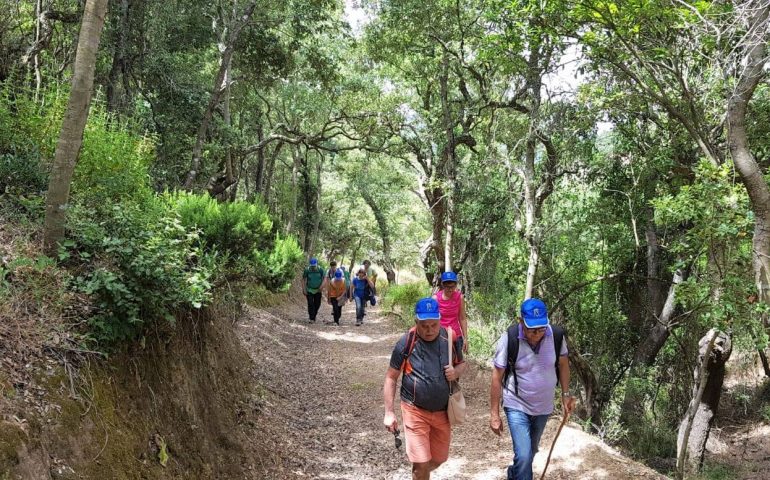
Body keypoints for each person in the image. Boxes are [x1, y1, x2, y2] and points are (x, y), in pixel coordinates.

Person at [489, 298, 576, 480]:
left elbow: (563, 364)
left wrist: (566, 395)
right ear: (521, 322)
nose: (537, 334)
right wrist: (494, 414)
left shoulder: (556, 336)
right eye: (532, 329)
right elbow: (497, 376)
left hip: (543, 408)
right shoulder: (510, 338)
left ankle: (514, 474)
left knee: (531, 451)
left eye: (541, 328)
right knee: (524, 455)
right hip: (516, 404)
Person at [383, 297, 466, 480]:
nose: (429, 330)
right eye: (424, 325)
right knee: (421, 462)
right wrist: (389, 412)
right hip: (414, 409)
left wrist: (455, 371)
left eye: (433, 325)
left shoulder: (450, 337)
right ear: (416, 322)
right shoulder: (407, 341)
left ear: (439, 321)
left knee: (439, 458)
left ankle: (419, 474)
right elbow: (391, 377)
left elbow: (462, 364)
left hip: (443, 412)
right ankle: (419, 472)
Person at [432, 271, 468, 354]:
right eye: (447, 287)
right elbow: (432, 320)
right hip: (441, 336)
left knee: (457, 363)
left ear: (455, 285)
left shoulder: (460, 297)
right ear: (443, 285)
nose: (450, 289)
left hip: (456, 335)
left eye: (453, 286)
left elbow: (462, 318)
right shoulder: (435, 299)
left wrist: (465, 338)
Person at [301, 257, 326, 323]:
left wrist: (322, 286)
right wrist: (304, 289)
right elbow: (303, 279)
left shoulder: (320, 270)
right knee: (310, 303)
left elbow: (324, 279)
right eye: (312, 266)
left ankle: (314, 316)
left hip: (318, 290)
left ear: (317, 264)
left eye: (314, 266)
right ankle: (311, 318)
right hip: (309, 289)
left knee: (317, 304)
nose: (313, 267)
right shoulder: (307, 270)